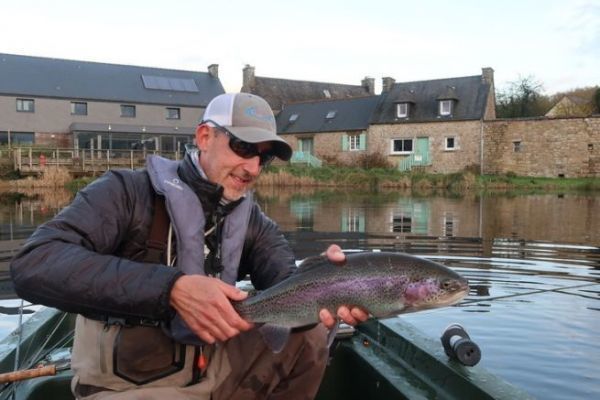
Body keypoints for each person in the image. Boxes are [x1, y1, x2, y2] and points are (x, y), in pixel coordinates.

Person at [10, 92, 368, 400]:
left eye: (264, 157)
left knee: (309, 337)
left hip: (216, 370)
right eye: (243, 147)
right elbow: (34, 264)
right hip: (129, 385)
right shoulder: (124, 193)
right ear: (204, 137)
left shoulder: (254, 222)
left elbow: (284, 281)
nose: (253, 167)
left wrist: (325, 282)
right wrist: (171, 289)